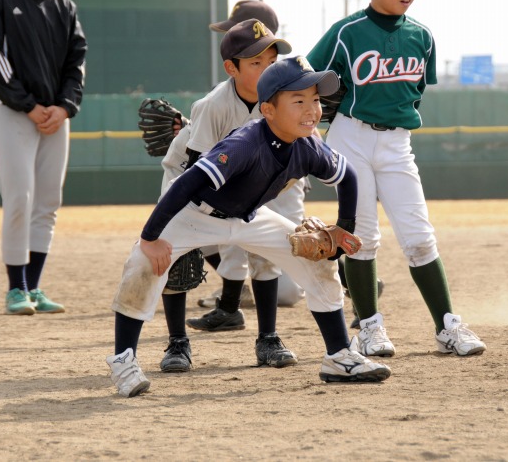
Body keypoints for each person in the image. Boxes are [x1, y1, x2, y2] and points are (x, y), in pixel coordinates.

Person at [106, 56, 392, 397]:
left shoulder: (308, 145)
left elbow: (347, 176)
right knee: (142, 264)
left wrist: (343, 228)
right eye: (298, 101)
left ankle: (339, 355)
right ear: (268, 110)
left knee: (319, 265)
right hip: (195, 215)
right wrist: (150, 238)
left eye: (315, 99)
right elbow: (186, 184)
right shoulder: (243, 143)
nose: (311, 110)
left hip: (250, 218)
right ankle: (124, 361)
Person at [307, 0, 486, 356]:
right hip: (351, 136)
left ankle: (447, 327)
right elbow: (309, 79)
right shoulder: (347, 32)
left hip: (397, 143)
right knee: (363, 236)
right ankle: (369, 327)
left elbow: (414, 94)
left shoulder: (421, 37)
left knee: (420, 237)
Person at [157, 18, 298, 372]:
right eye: (255, 63)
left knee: (266, 251)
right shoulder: (213, 105)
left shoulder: (279, 100)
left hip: (244, 183)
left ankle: (268, 340)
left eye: (270, 62)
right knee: (175, 256)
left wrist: (255, 200)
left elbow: (294, 164)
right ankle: (177, 344)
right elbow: (197, 173)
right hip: (188, 179)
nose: (266, 70)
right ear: (231, 68)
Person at [0, 0, 87, 316]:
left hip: (54, 116)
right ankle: (15, 289)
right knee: (19, 196)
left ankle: (35, 286)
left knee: (48, 200)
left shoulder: (65, 6)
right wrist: (28, 105)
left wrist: (64, 107)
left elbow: (76, 61)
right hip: (11, 110)